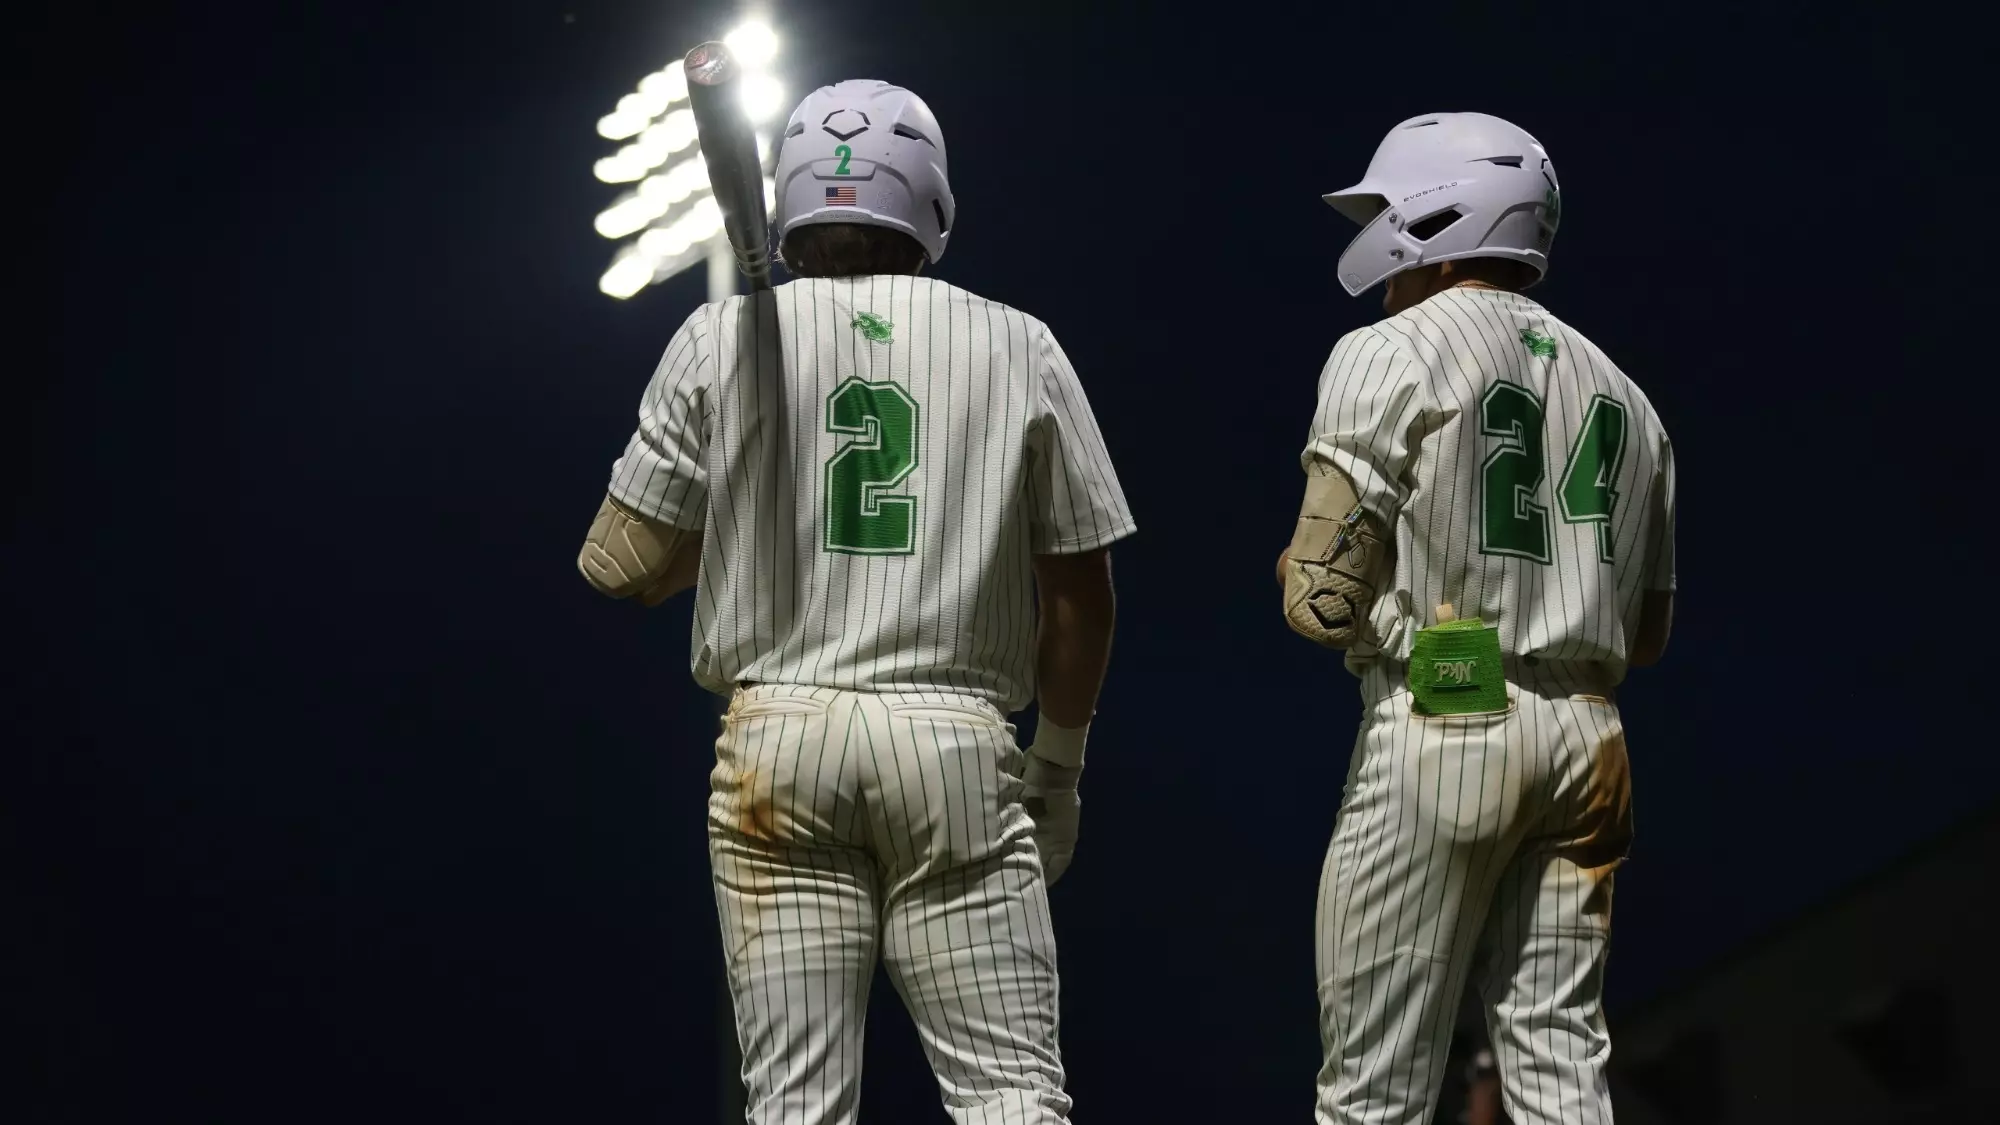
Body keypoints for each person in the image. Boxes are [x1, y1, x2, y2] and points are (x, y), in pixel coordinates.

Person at [576, 79, 1134, 1125]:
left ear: (788, 198)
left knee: (795, 1106)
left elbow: (617, 566)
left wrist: (749, 503)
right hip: (956, 740)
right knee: (1009, 1092)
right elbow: (1080, 589)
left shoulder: (717, 336)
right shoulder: (1021, 342)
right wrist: (1056, 765)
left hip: (777, 740)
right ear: (928, 199)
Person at [1277, 112, 1675, 1125]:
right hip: (1589, 742)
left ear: (1437, 210)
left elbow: (1318, 602)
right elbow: (1646, 636)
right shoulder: (1626, 396)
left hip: (1449, 709)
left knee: (1374, 1090)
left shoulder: (1387, 346)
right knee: (1558, 1073)